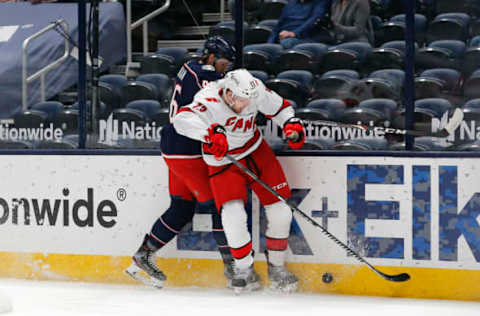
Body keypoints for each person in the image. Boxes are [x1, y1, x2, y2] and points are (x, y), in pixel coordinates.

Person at [172, 69, 306, 293]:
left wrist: (291, 124)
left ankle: (277, 268)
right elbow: (182, 120)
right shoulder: (208, 99)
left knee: (282, 211)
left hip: (255, 151)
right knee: (233, 215)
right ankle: (244, 269)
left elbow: (280, 108)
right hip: (223, 159)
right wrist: (209, 134)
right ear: (229, 94)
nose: (248, 106)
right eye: (243, 100)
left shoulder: (254, 91)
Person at [125, 36, 237, 288]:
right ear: (210, 56)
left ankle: (142, 256)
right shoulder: (205, 73)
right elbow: (223, 90)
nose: (225, 67)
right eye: (222, 61)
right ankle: (233, 270)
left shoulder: (188, 67)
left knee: (182, 207)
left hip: (174, 147)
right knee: (218, 205)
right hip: (187, 150)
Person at [267, 0, 332, 49]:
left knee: (287, 43)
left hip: (305, 38)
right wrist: (270, 43)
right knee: (264, 49)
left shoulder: (320, 2)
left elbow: (314, 20)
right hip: (283, 38)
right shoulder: (291, 3)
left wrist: (294, 33)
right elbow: (278, 26)